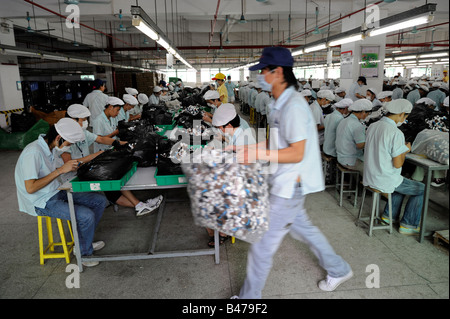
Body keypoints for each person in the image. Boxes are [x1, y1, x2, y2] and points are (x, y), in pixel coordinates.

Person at [234, 46, 352, 299]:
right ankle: (339, 269)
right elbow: (277, 142)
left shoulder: (294, 106)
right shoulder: (280, 102)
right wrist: (247, 149)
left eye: (263, 71)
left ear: (277, 72)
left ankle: (248, 300)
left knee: (261, 245)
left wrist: (257, 155)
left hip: (290, 186)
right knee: (305, 230)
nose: (260, 76)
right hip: (284, 181)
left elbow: (297, 152)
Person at [15, 118, 108, 267]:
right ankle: (84, 253)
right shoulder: (33, 153)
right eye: (68, 144)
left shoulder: (51, 148)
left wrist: (95, 156)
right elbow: (30, 188)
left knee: (100, 201)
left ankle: (83, 242)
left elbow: (69, 166)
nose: (68, 147)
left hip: (56, 190)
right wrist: (60, 170)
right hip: (41, 200)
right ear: (59, 138)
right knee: (86, 215)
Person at [62, 104, 162, 217]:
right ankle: (140, 205)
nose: (85, 123)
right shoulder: (65, 138)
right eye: (83, 120)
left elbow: (99, 139)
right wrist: (94, 156)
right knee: (112, 176)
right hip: (74, 176)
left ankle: (139, 205)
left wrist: (123, 144)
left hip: (86, 168)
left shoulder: (83, 132)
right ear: (73, 120)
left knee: (115, 174)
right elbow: (69, 164)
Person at [363, 99, 424, 235]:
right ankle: (409, 224)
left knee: (401, 182)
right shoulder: (396, 133)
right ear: (401, 114)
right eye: (405, 117)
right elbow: (398, 164)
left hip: (370, 175)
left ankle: (388, 216)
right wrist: (405, 150)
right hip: (384, 178)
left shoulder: (373, 126)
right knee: (421, 188)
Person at [335, 99, 373, 174]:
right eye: (368, 113)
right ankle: (365, 184)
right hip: (350, 161)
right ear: (363, 112)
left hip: (341, 157)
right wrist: (370, 139)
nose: (367, 116)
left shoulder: (344, 120)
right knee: (373, 168)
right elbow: (360, 145)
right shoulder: (357, 125)